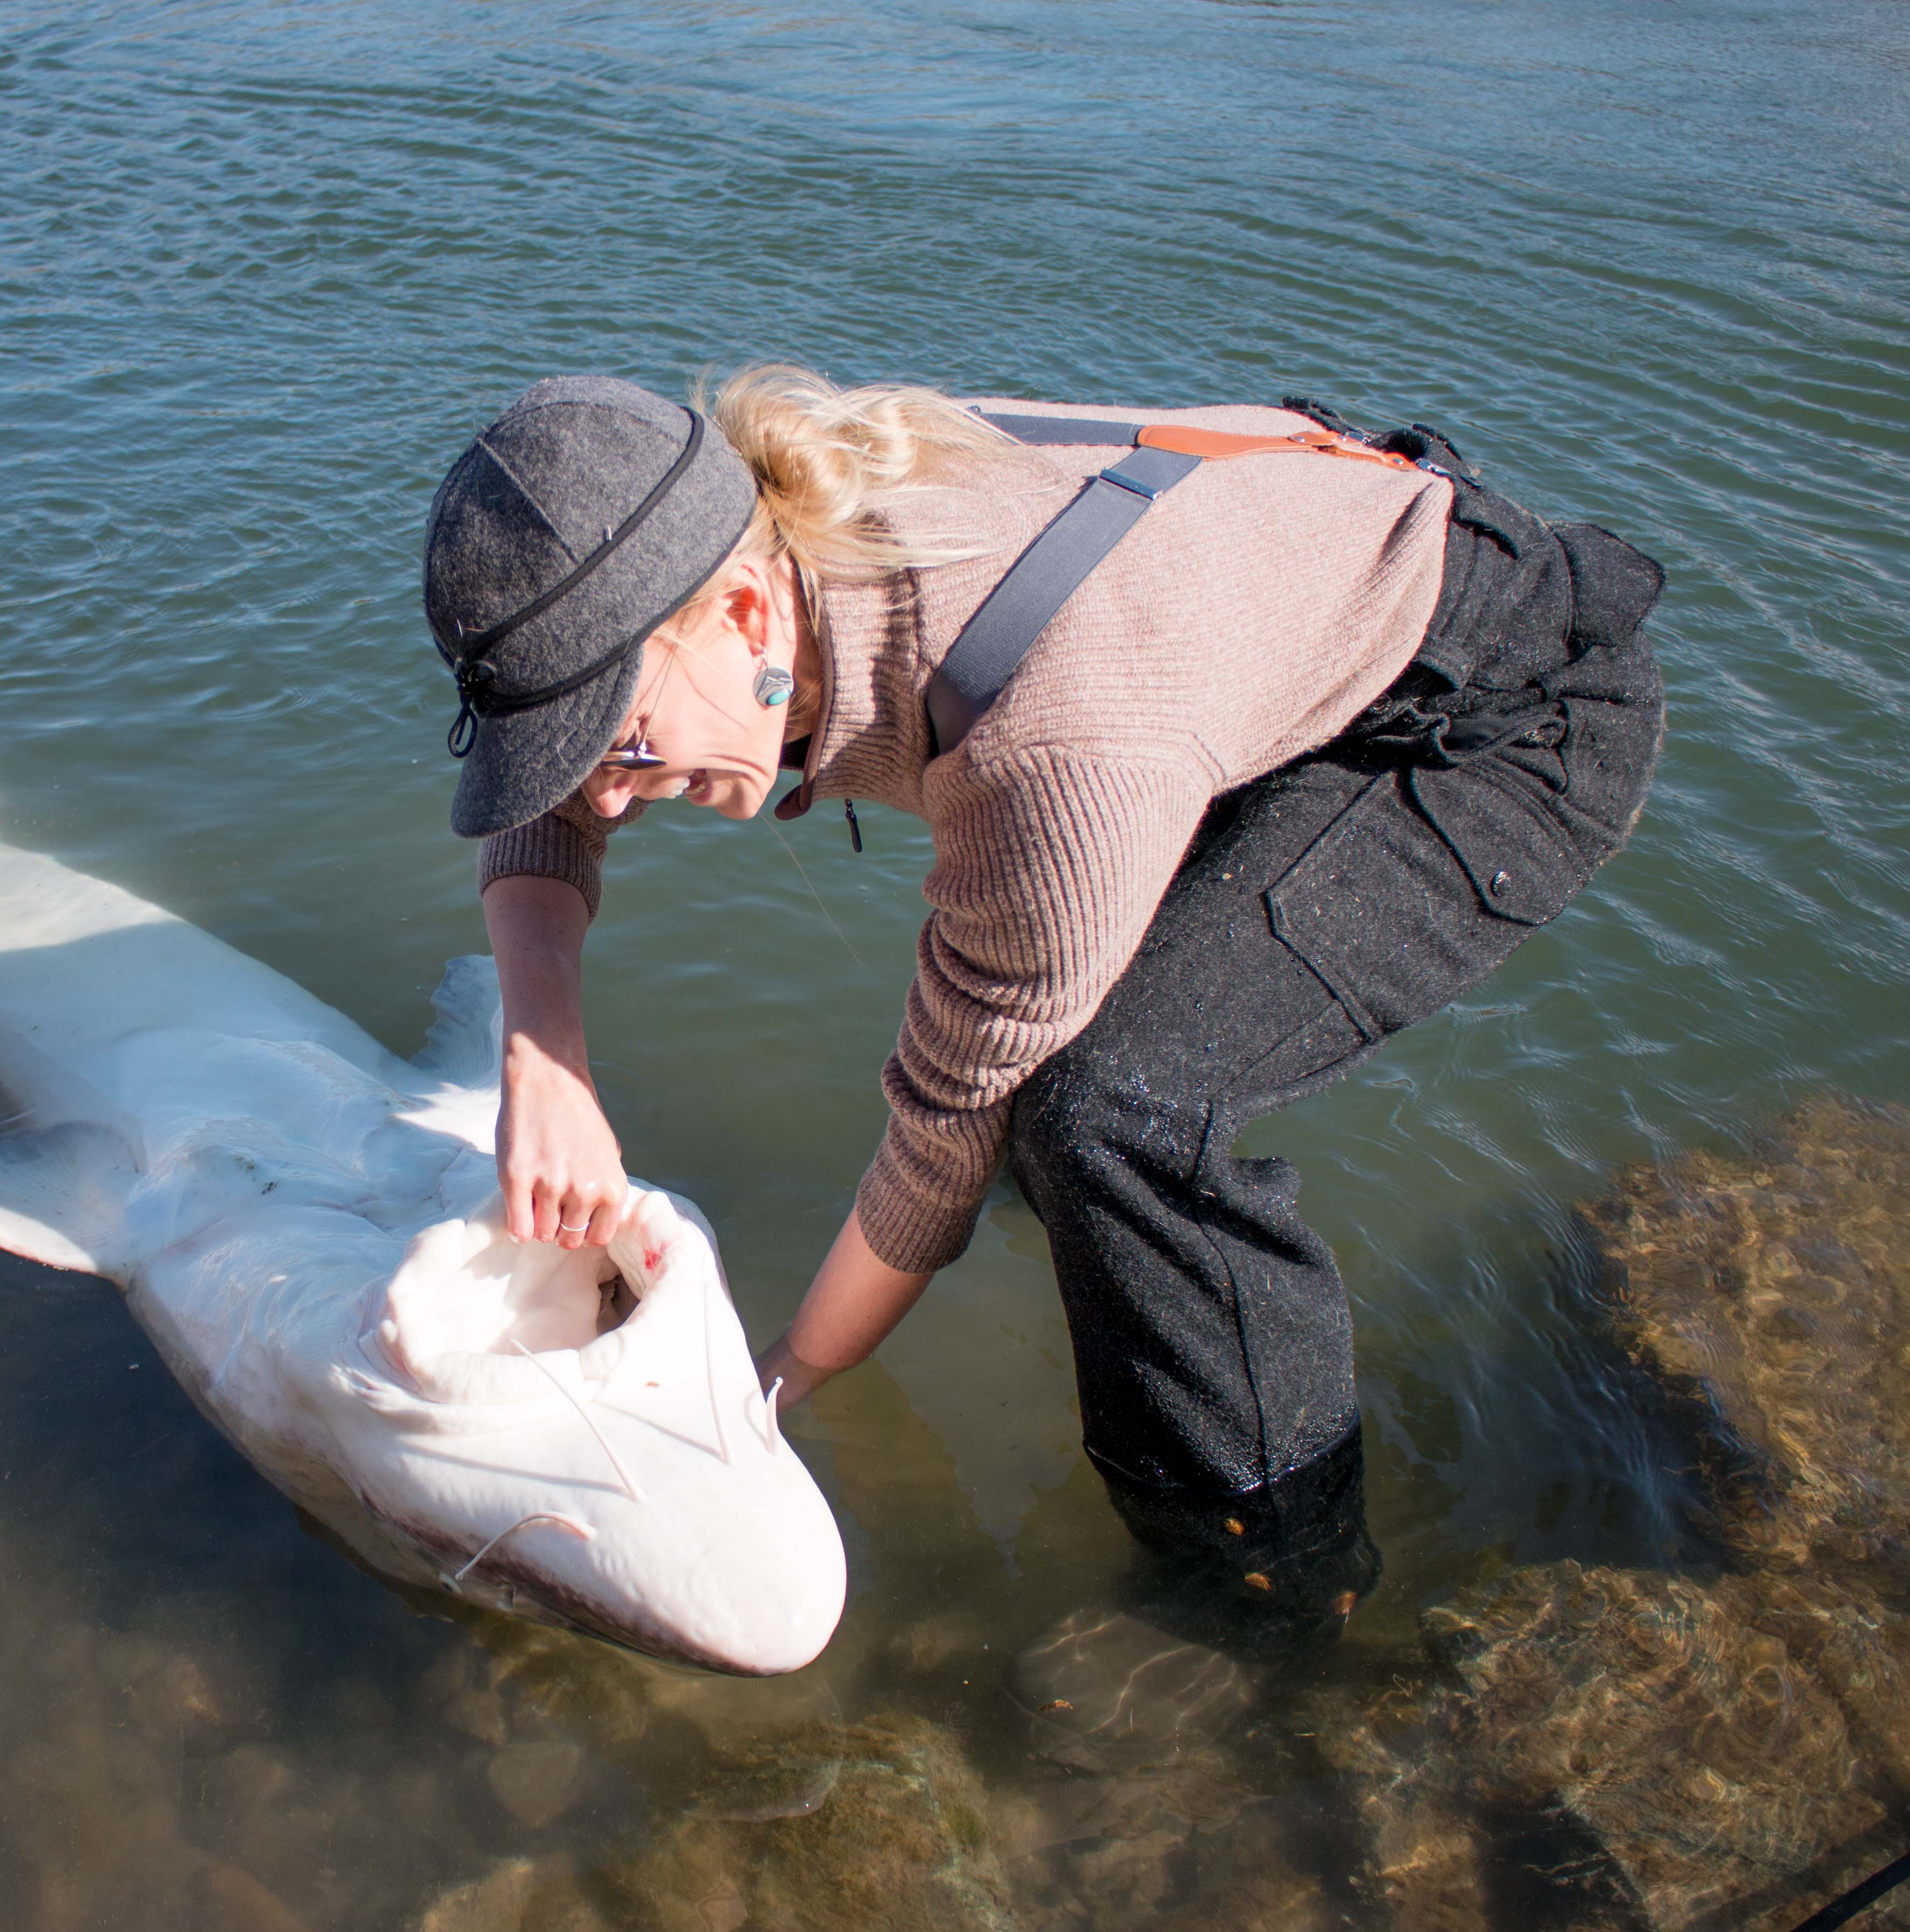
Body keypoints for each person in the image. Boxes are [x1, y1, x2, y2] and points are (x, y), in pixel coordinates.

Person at [420, 368, 1662, 1653]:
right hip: (1235, 633)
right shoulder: (753, 537)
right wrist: (544, 1063)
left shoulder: (1050, 753)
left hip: (1489, 717)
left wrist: (775, 1383)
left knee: (1108, 1113)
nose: (604, 798)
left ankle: (1279, 1589)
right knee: (1051, 1077)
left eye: (616, 744)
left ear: (742, 610)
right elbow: (549, 794)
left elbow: (934, 1142)